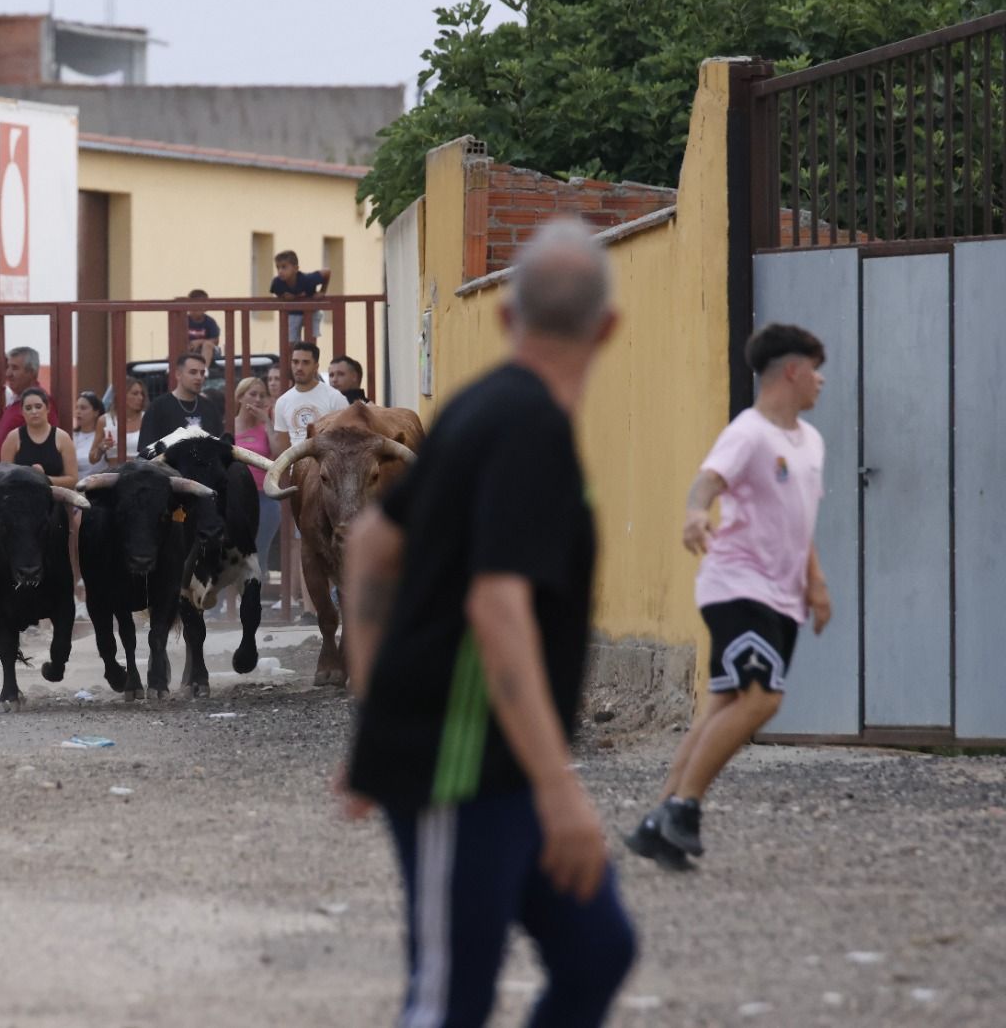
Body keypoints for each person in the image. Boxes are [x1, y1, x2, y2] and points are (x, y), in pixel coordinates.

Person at [341, 219, 635, 1027]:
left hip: (500, 762)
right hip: (457, 762)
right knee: (448, 999)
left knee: (596, 950)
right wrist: (561, 788)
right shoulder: (526, 428)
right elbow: (497, 609)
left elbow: (367, 544)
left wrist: (375, 704)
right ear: (608, 328)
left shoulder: (479, 407)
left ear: (507, 319)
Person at [625, 324, 830, 869]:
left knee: (722, 707)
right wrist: (695, 514)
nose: (822, 380)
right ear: (791, 371)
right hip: (736, 584)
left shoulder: (810, 443)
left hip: (781, 597)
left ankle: (656, 822)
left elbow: (799, 519)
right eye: (815, 368)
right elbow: (708, 481)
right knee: (763, 696)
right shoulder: (750, 432)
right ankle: (685, 809)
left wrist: (816, 582)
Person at [233, 376, 282, 572]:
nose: (258, 399)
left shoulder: (266, 427)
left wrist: (267, 421)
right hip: (237, 497)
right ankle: (234, 596)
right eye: (252, 394)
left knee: (259, 551)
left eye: (262, 395)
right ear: (239, 397)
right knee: (236, 549)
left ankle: (254, 597)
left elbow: (279, 455)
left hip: (264, 497)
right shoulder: (229, 425)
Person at [271, 341, 348, 457]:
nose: (299, 367)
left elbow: (347, 440)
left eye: (305, 363)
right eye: (295, 362)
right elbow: (283, 450)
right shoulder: (282, 402)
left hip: (325, 471)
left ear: (316, 366)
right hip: (295, 471)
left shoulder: (335, 398)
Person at [0, 346, 60, 464]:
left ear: (31, 372)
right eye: (8, 367)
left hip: (24, 478)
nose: (8, 373)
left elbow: (49, 446)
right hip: (7, 476)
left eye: (15, 368)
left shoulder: (41, 404)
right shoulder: (16, 400)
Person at [138, 353, 224, 448]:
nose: (199, 377)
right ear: (178, 374)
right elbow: (147, 451)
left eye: (202, 373)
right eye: (193, 372)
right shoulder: (158, 407)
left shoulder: (210, 407)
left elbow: (219, 445)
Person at [0, 388, 78, 488]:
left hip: (54, 499)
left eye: (38, 406)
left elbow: (73, 479)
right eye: (28, 408)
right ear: (22, 412)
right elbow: (4, 476)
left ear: (48, 409)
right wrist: (27, 478)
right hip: (21, 498)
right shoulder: (13, 438)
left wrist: (42, 479)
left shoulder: (62, 438)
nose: (34, 411)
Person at [270, 250, 331, 342]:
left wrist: (322, 291)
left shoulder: (308, 279)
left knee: (310, 341)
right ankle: (294, 356)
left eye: (284, 267)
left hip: (311, 311)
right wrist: (282, 296)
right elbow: (276, 291)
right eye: (278, 267)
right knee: (291, 342)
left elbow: (327, 272)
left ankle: (310, 354)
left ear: (296, 268)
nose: (280, 271)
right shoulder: (277, 282)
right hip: (293, 312)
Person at [104, 378, 148, 462]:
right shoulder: (105, 420)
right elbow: (93, 458)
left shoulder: (147, 418)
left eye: (141, 394)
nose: (140, 398)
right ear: (121, 395)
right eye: (135, 394)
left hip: (140, 471)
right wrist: (101, 447)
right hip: (114, 472)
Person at [72, 391, 111, 481]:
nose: (78, 412)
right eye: (76, 408)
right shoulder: (71, 436)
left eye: (83, 408)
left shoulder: (103, 435)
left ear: (96, 412)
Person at [184, 289, 221, 359]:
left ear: (206, 308)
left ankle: (204, 369)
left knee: (207, 345)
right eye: (194, 306)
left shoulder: (210, 322)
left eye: (200, 306)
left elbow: (215, 340)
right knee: (180, 347)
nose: (197, 309)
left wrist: (199, 342)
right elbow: (177, 339)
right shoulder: (183, 321)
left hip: (208, 352)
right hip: (189, 349)